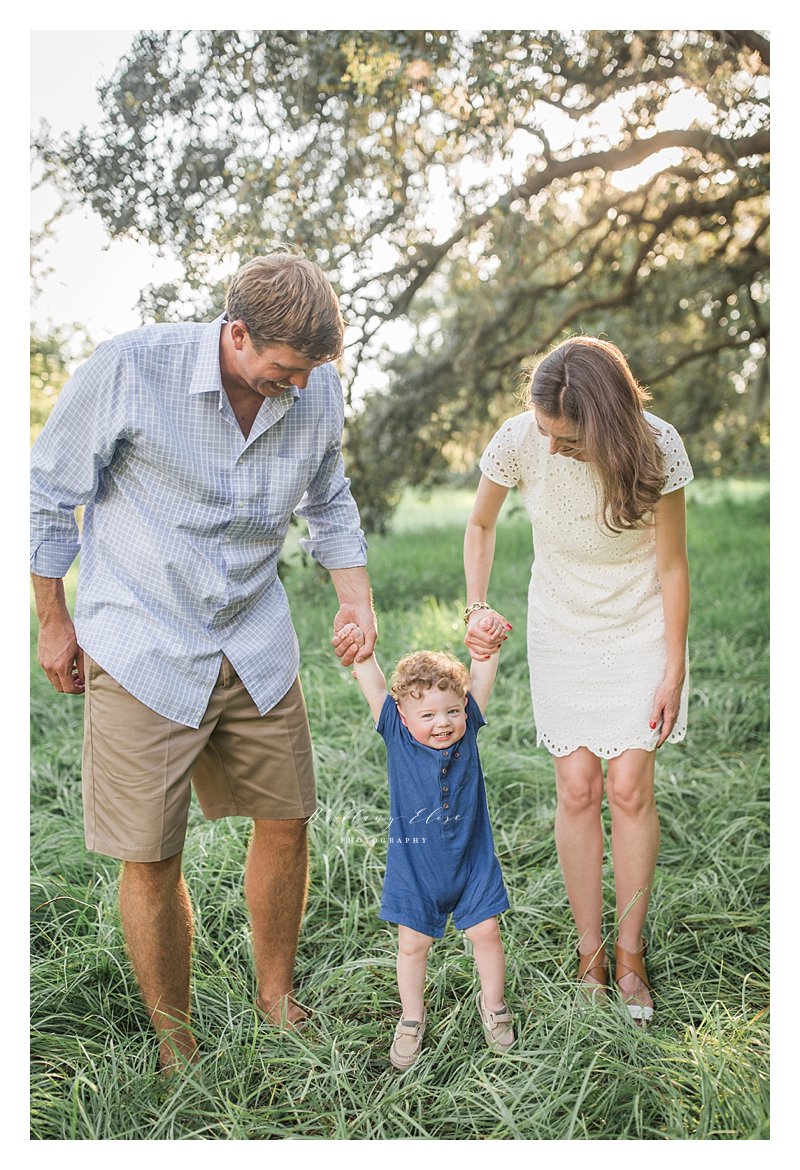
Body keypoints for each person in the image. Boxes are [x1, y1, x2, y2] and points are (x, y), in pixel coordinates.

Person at [30, 251, 377, 1070]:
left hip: (253, 636)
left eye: (309, 373)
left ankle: (276, 997)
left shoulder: (315, 386)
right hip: (142, 639)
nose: (296, 387)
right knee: (151, 854)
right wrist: (52, 621)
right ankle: (175, 1042)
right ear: (236, 334)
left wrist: (354, 596)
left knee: (288, 817)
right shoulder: (132, 368)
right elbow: (47, 493)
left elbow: (329, 497)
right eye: (284, 370)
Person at [464, 336, 693, 1024]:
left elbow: (674, 565)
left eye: (570, 438)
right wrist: (476, 605)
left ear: (609, 419)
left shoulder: (658, 446)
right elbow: (480, 523)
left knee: (627, 787)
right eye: (547, 433)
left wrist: (674, 665)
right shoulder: (519, 440)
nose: (555, 447)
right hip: (562, 623)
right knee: (577, 786)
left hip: (639, 625)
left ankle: (628, 956)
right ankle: (589, 954)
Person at [332, 620, 514, 1067]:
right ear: (403, 714)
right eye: (428, 715)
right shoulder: (395, 732)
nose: (442, 723)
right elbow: (370, 677)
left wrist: (486, 641)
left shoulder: (467, 728)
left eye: (451, 711)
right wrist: (361, 648)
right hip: (415, 866)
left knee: (486, 932)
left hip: (472, 859)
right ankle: (412, 1017)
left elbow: (483, 666)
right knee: (412, 945)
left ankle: (493, 1005)